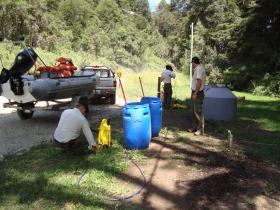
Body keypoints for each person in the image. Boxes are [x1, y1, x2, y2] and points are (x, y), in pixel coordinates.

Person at [189, 57, 206, 135]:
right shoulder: (197, 69)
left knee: (198, 111)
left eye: (192, 63)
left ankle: (200, 129)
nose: (191, 65)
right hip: (195, 91)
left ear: (194, 62)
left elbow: (199, 81)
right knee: (193, 110)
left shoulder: (199, 69)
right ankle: (194, 127)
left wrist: (195, 93)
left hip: (198, 93)